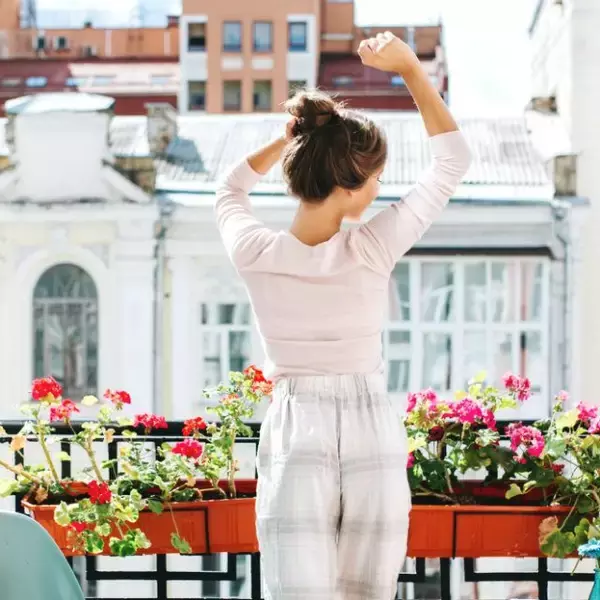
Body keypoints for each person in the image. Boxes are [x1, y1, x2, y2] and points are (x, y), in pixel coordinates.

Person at [215, 31, 472, 600]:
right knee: (367, 591)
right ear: (351, 185)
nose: (379, 189)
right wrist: (409, 70)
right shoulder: (372, 247)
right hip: (367, 424)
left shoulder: (255, 252)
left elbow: (229, 190)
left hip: (295, 424)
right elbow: (453, 160)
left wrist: (287, 138)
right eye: (375, 177)